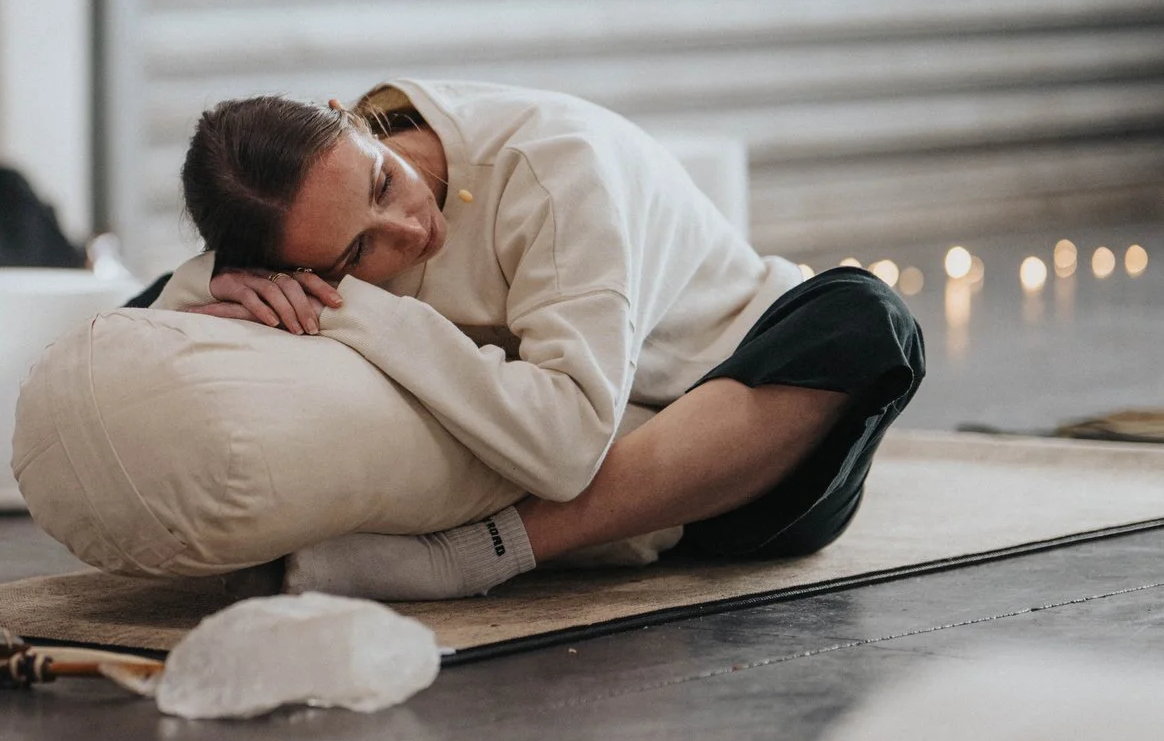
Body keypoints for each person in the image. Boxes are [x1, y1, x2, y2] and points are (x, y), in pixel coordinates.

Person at [128, 80, 923, 600]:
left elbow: (567, 449)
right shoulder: (306, 218)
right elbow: (138, 328)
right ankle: (588, 537)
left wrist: (354, 308)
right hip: (549, 440)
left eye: (383, 182)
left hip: (745, 456)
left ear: (349, 116)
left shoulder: (555, 166)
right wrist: (220, 279)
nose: (408, 227)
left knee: (869, 317)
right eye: (356, 254)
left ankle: (473, 557)